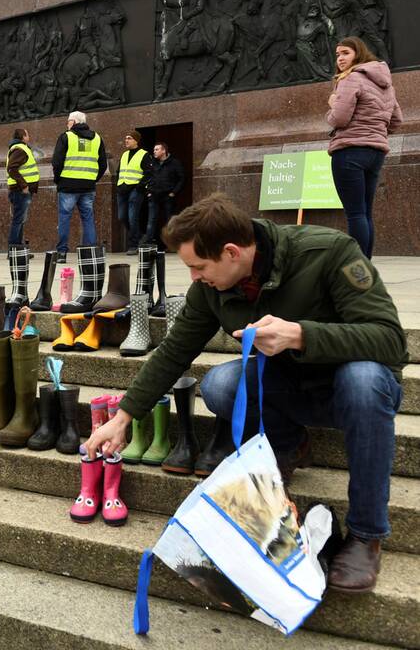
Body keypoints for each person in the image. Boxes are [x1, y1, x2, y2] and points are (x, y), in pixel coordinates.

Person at [85, 193, 407, 595]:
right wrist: (124, 417)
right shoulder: (211, 288)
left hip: (356, 391)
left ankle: (365, 535)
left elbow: (391, 341)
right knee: (222, 385)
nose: (194, 278)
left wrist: (301, 335)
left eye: (198, 267)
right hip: (290, 385)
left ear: (232, 252)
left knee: (362, 381)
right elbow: (173, 352)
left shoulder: (328, 252)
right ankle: (290, 444)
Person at [326, 35, 402, 259]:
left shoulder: (351, 79)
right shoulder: (385, 83)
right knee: (365, 213)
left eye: (345, 53)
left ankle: (358, 266)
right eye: (338, 54)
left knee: (355, 214)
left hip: (349, 151)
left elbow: (339, 118)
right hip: (375, 152)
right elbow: (396, 120)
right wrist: (374, 131)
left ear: (358, 54)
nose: (340, 58)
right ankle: (365, 265)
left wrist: (331, 105)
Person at [50, 110, 107, 262]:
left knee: (64, 219)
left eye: (68, 121)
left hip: (67, 185)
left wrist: (58, 179)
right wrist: (92, 179)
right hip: (88, 186)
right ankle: (90, 252)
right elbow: (103, 164)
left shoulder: (66, 137)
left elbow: (56, 161)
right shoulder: (97, 138)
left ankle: (62, 253)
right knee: (87, 218)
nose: (67, 124)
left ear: (74, 122)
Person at [115, 130, 154, 254]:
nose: (126, 140)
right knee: (122, 216)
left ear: (136, 140)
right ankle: (140, 235)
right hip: (122, 189)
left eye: (129, 138)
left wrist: (140, 187)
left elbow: (149, 173)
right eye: (126, 138)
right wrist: (118, 185)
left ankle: (133, 245)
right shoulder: (124, 154)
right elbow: (119, 171)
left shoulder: (144, 154)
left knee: (133, 217)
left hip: (135, 190)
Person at [142, 142, 184, 248]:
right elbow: (147, 177)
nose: (154, 151)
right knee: (151, 219)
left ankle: (171, 244)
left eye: (157, 149)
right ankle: (148, 243)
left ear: (164, 150)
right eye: (154, 149)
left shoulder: (174, 163)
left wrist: (173, 192)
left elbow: (181, 178)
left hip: (167, 196)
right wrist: (149, 192)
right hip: (154, 195)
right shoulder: (152, 163)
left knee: (169, 220)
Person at [6, 128, 39, 246]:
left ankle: (18, 249)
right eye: (27, 134)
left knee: (20, 220)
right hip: (21, 191)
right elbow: (12, 169)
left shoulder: (20, 148)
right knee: (18, 220)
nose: (29, 137)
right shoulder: (20, 149)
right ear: (23, 137)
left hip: (21, 190)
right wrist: (24, 186)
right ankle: (14, 249)